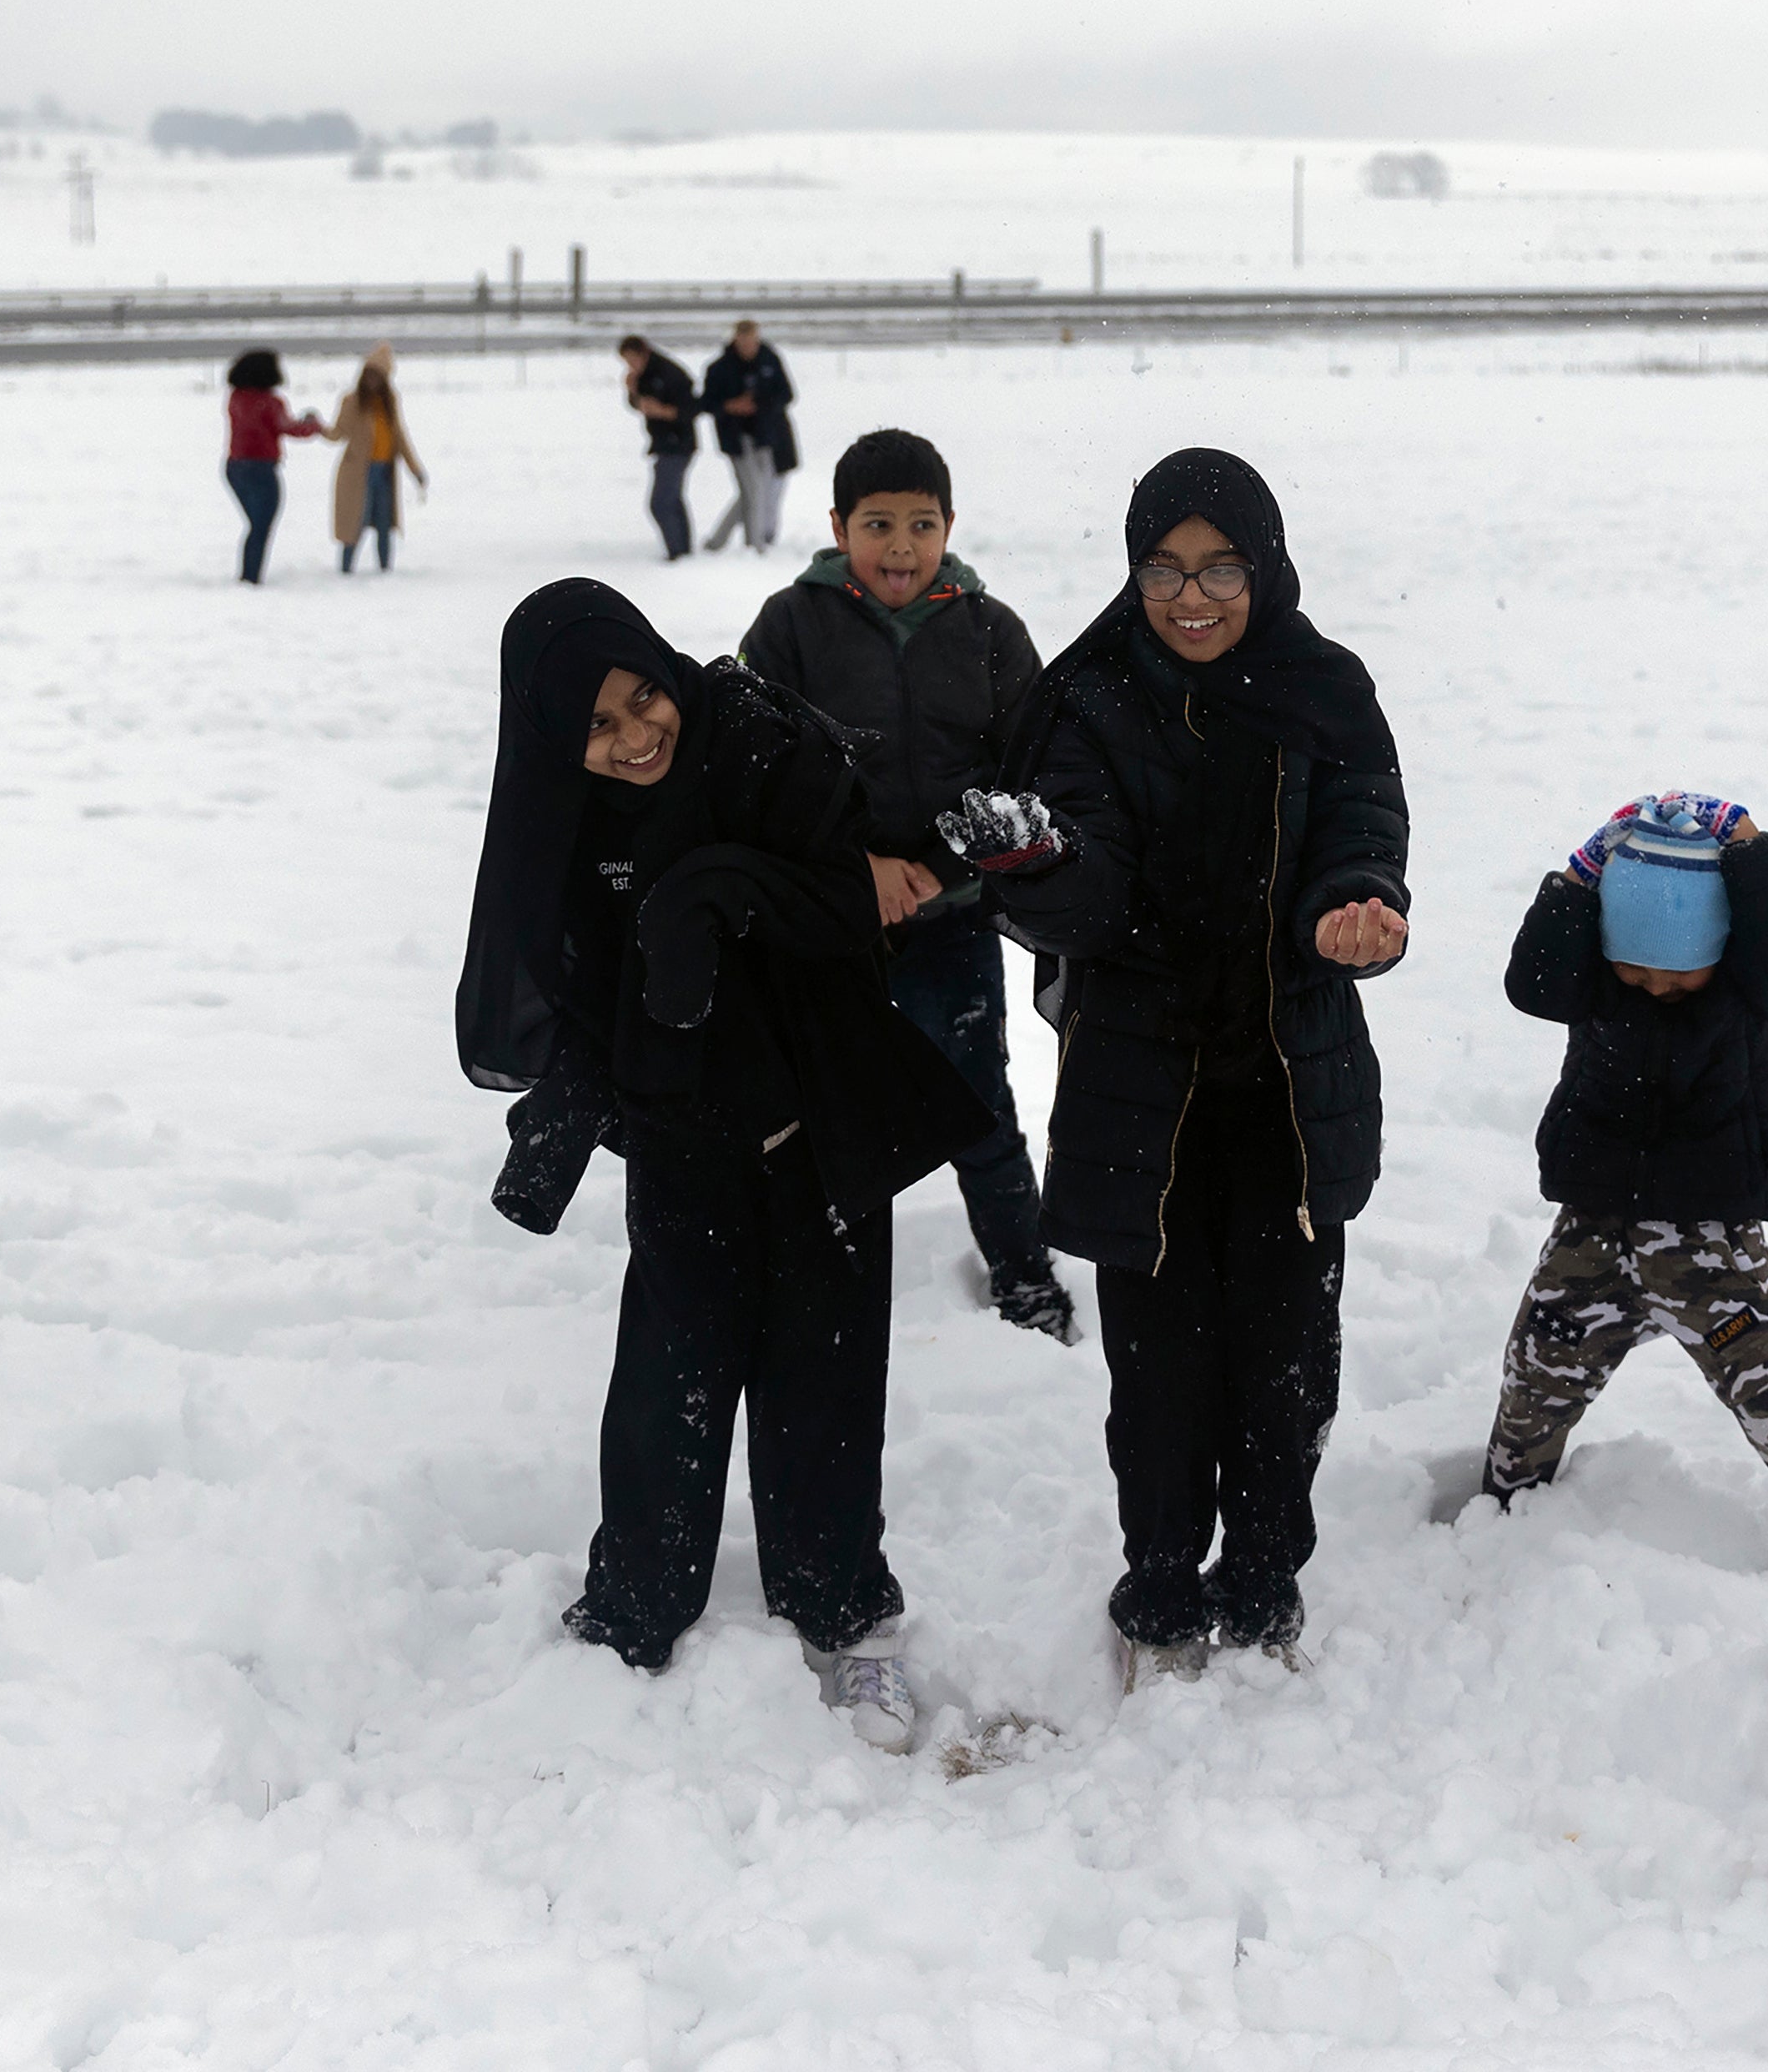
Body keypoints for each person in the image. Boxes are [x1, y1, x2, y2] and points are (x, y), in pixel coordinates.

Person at [455, 578, 992, 1752]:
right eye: (598, 727)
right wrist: (562, 1124)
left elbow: (850, 911)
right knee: (669, 1385)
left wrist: (705, 891)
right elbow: (590, 998)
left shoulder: (756, 737)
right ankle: (636, 1609)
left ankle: (846, 1617)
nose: (638, 732)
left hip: (822, 1125)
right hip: (687, 1139)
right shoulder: (572, 827)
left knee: (825, 1387)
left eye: (644, 695)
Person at [944, 450, 1409, 1687]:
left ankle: (1263, 1585)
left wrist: (1355, 904)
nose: (1189, 596)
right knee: (1156, 1380)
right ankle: (1157, 1593)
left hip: (1290, 1092)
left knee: (1287, 1367)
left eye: (1218, 568)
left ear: (1264, 565)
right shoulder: (1092, 697)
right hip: (1140, 1100)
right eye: (1164, 568)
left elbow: (1363, 823)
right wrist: (1040, 859)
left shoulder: (1326, 688)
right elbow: (1093, 902)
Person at [738, 428, 1074, 1343]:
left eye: (921, 525)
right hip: (826, 929)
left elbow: (1030, 774)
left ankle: (1025, 1277)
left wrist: (936, 866)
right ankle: (812, 1283)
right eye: (878, 524)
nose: (900, 547)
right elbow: (755, 768)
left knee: (978, 1104)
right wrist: (859, 869)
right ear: (839, 526)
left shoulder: (990, 630)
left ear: (950, 525)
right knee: (814, 1116)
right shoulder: (790, 626)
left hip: (950, 924)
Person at [1481, 791, 1768, 1551]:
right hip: (1591, 1230)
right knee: (1539, 1367)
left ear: (1718, 946)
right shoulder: (1593, 982)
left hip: (1712, 1244)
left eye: (1678, 973)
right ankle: (1504, 1508)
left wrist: (1749, 845)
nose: (1656, 985)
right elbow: (1534, 982)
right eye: (1635, 968)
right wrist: (1577, 877)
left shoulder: (1749, 984)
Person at [224, 349, 327, 584]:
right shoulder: (270, 402)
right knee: (261, 527)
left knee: (254, 525)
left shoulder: (236, 397)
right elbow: (287, 427)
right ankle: (251, 577)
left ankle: (248, 576)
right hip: (261, 469)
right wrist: (313, 425)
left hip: (234, 466)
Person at [327, 344, 428, 574]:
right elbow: (338, 432)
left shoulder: (389, 404)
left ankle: (385, 569)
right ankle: (346, 569)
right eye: (369, 374)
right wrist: (316, 428)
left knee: (384, 523)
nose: (373, 380)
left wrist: (416, 470)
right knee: (355, 523)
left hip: (384, 472)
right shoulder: (352, 401)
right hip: (359, 473)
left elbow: (400, 439)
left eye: (378, 376)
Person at [699, 319, 797, 555]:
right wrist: (731, 406)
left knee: (757, 490)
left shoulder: (769, 360)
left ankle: (724, 540)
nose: (748, 346)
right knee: (753, 489)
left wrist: (759, 405)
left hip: (766, 436)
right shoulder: (720, 367)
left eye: (752, 341)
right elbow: (706, 402)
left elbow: (786, 394)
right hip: (737, 438)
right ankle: (754, 544)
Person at [619, 336, 701, 561]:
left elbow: (692, 408)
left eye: (633, 360)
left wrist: (664, 411)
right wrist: (632, 392)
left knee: (661, 502)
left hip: (678, 443)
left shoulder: (670, 373)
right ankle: (683, 549)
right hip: (663, 443)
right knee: (673, 499)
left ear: (643, 354)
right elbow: (640, 405)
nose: (631, 366)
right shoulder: (643, 375)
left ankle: (677, 551)